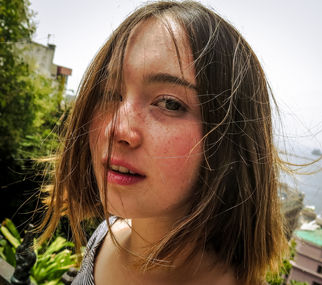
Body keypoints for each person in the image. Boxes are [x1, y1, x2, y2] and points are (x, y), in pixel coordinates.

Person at [38, 1, 287, 284]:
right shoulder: (107, 236)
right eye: (109, 92)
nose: (117, 128)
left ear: (231, 140)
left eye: (169, 103)